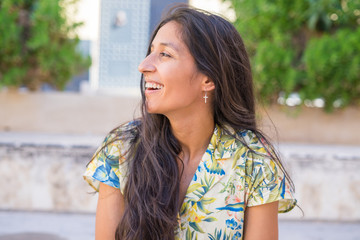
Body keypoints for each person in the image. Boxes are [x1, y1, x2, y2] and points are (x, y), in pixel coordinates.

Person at [84, 4, 297, 240]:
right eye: (151, 51)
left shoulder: (253, 160)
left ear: (208, 79)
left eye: (165, 54)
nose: (143, 65)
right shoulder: (121, 150)